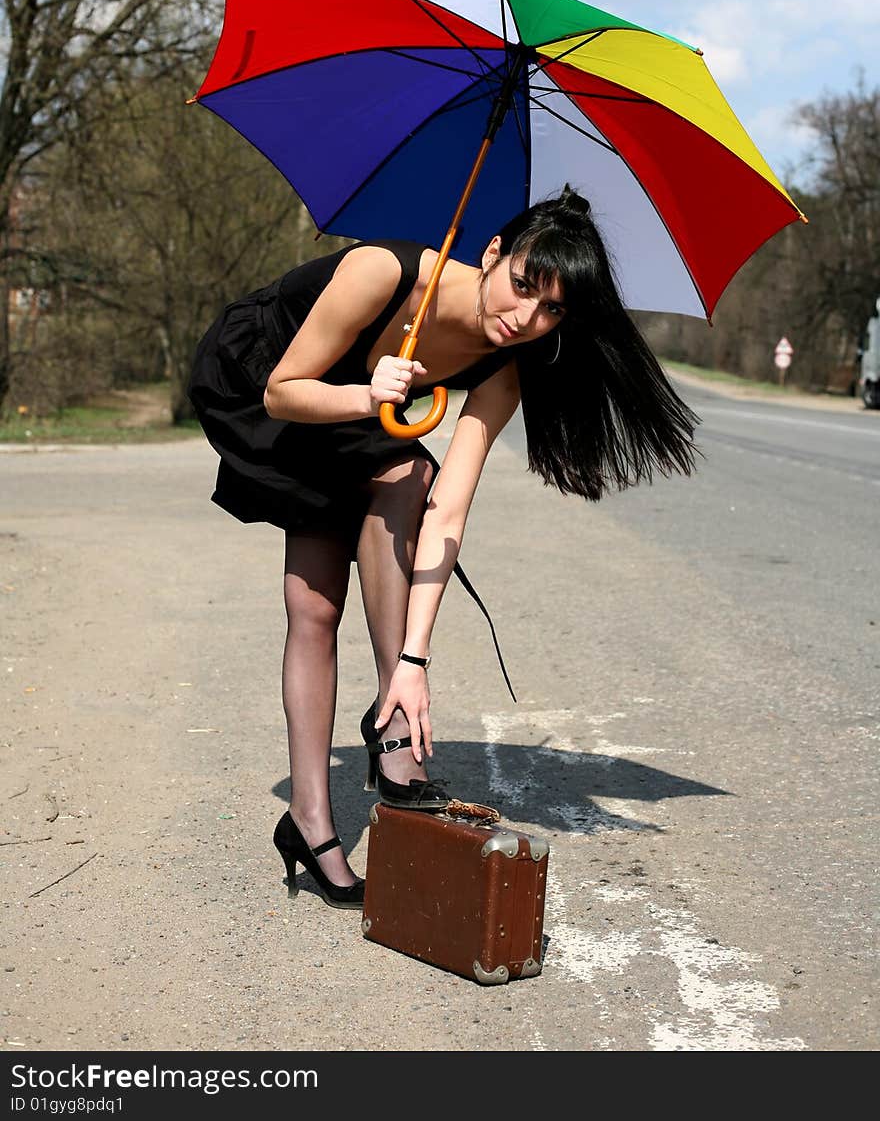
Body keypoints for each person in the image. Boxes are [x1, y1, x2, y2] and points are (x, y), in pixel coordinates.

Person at [188, 188, 698, 909]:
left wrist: (417, 662)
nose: (525, 318)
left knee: (315, 602)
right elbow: (283, 393)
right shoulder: (382, 273)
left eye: (551, 309)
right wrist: (369, 395)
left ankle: (316, 809)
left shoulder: (503, 369)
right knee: (403, 473)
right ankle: (394, 739)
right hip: (265, 376)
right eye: (523, 286)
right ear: (492, 253)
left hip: (350, 406)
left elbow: (448, 510)